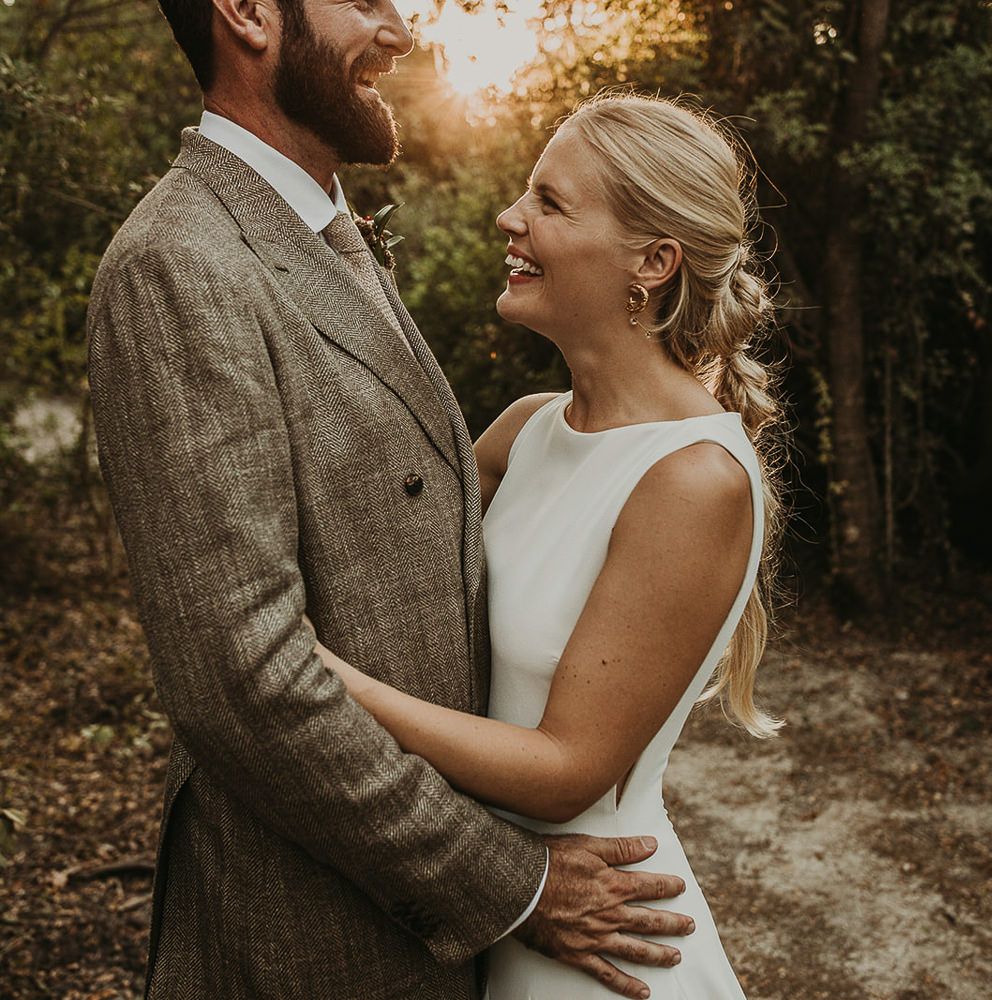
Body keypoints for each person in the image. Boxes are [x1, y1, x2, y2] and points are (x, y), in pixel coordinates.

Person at [86, 0, 695, 997]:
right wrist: (510, 883)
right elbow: (244, 679)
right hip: (310, 940)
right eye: (366, 2)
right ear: (247, 14)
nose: (402, 31)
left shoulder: (323, 230)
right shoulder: (177, 265)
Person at [312, 92, 786, 999]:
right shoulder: (526, 429)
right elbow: (369, 530)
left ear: (653, 262)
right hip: (495, 909)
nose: (509, 217)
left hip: (601, 944)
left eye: (551, 203)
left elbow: (567, 771)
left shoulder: (693, 479)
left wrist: (324, 678)